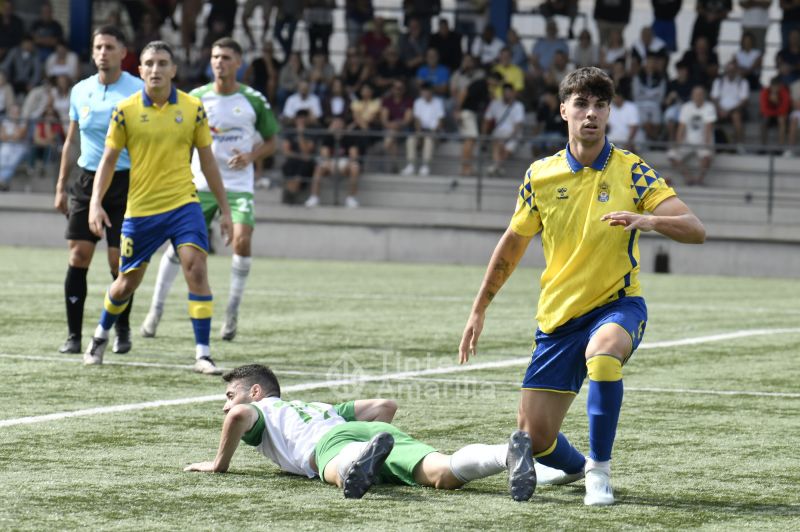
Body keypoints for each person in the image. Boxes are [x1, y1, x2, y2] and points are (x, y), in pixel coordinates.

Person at [459, 67, 706, 506]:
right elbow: (512, 245)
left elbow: (694, 228)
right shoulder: (540, 175)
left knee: (605, 354)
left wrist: (648, 220)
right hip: (559, 318)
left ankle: (598, 471)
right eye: (581, 104)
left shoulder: (632, 171)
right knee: (533, 439)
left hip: (618, 304)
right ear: (563, 111)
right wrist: (479, 308)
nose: (590, 114)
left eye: (600, 105)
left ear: (609, 113)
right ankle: (573, 467)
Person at [83, 41, 233, 375]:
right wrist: (95, 203)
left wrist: (226, 210)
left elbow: (208, 163)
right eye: (149, 63)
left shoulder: (193, 108)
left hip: (184, 204)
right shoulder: (126, 110)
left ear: (173, 70)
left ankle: (203, 353)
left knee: (196, 267)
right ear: (140, 71)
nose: (155, 69)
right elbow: (107, 162)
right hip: (141, 210)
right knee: (127, 283)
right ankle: (100, 335)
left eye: (162, 63)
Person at [184, 364, 539, 501]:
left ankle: (359, 462)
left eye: (230, 396)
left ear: (257, 392)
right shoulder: (317, 406)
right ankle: (503, 454)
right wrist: (371, 433)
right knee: (442, 472)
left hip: (331, 444)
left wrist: (218, 463)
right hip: (363, 429)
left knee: (333, 466)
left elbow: (239, 416)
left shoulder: (260, 409)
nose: (226, 406)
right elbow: (385, 406)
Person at [140, 38, 279, 342]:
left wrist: (251, 156)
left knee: (242, 241)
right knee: (179, 250)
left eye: (226, 57)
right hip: (199, 185)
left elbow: (272, 141)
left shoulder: (253, 100)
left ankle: (231, 311)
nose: (219, 62)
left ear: (238, 62)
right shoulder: (195, 98)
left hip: (239, 186)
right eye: (215, 56)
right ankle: (156, 309)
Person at [53, 26, 144, 355]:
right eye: (98, 47)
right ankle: (74, 336)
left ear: (123, 52)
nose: (103, 52)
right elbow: (70, 140)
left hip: (126, 182)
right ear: (92, 53)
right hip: (86, 180)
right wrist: (61, 186)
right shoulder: (80, 90)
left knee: (119, 262)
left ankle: (121, 328)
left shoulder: (138, 90)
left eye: (109, 46)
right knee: (78, 255)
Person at [668, 85, 717, 185]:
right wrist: (678, 142)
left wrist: (707, 145)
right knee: (672, 155)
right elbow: (681, 127)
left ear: (704, 95)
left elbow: (709, 127)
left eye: (700, 94)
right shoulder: (686, 107)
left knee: (707, 156)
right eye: (695, 94)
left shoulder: (709, 107)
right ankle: (688, 178)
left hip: (703, 140)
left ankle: (700, 180)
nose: (698, 96)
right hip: (688, 140)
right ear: (692, 96)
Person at [402, 82, 445, 177]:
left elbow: (440, 121)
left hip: (434, 131)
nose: (424, 93)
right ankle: (411, 165)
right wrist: (419, 132)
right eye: (422, 91)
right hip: (421, 130)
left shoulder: (438, 102)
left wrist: (433, 132)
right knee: (410, 139)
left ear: (431, 92)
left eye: (426, 91)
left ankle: (425, 166)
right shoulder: (418, 102)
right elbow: (417, 119)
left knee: (428, 140)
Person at [483, 82, 525, 177]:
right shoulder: (495, 103)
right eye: (505, 92)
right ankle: (498, 168)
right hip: (499, 133)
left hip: (513, 134)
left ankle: (495, 167)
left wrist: (508, 138)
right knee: (497, 142)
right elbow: (487, 120)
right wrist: (483, 136)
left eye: (509, 92)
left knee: (505, 148)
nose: (507, 94)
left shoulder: (518, 106)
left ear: (513, 93)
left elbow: (518, 125)